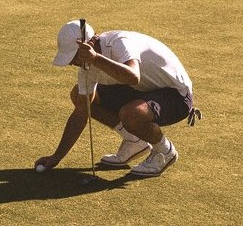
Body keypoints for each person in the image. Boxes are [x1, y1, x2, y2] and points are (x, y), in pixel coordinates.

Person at [35, 20, 198, 178]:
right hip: (142, 90)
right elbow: (81, 112)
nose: (71, 63)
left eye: (73, 56)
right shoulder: (87, 68)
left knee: (131, 114)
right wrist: (56, 156)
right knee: (80, 95)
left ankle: (165, 151)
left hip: (176, 95)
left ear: (88, 45)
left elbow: (133, 77)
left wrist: (95, 59)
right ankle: (134, 141)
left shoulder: (119, 43)